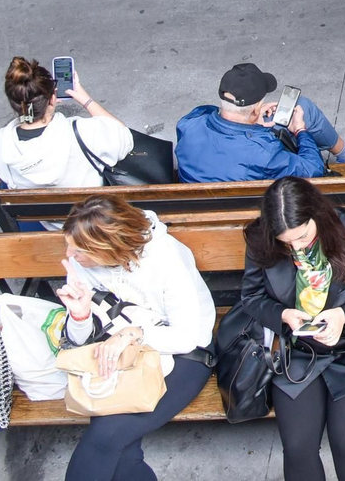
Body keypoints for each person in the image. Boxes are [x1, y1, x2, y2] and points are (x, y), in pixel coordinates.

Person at [240, 177, 345, 481]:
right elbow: (252, 297)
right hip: (300, 348)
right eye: (286, 243)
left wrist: (344, 315)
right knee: (298, 447)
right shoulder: (262, 238)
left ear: (317, 215)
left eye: (301, 237)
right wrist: (283, 314)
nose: (296, 248)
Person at [53, 196, 216, 481]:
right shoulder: (81, 264)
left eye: (79, 250)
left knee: (105, 439)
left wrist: (132, 334)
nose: (69, 255)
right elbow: (80, 341)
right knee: (118, 449)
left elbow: (187, 337)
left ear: (108, 249)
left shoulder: (166, 258)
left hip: (183, 356)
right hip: (118, 356)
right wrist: (79, 317)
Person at [0, 57, 134, 191]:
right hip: (90, 216)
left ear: (15, 103)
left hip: (45, 220)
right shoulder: (83, 132)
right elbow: (125, 138)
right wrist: (85, 99)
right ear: (52, 98)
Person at [174, 63, 331, 183]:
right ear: (256, 109)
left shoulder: (189, 123)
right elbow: (313, 169)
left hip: (198, 207)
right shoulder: (265, 154)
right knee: (304, 106)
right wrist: (300, 130)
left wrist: (254, 124)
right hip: (251, 215)